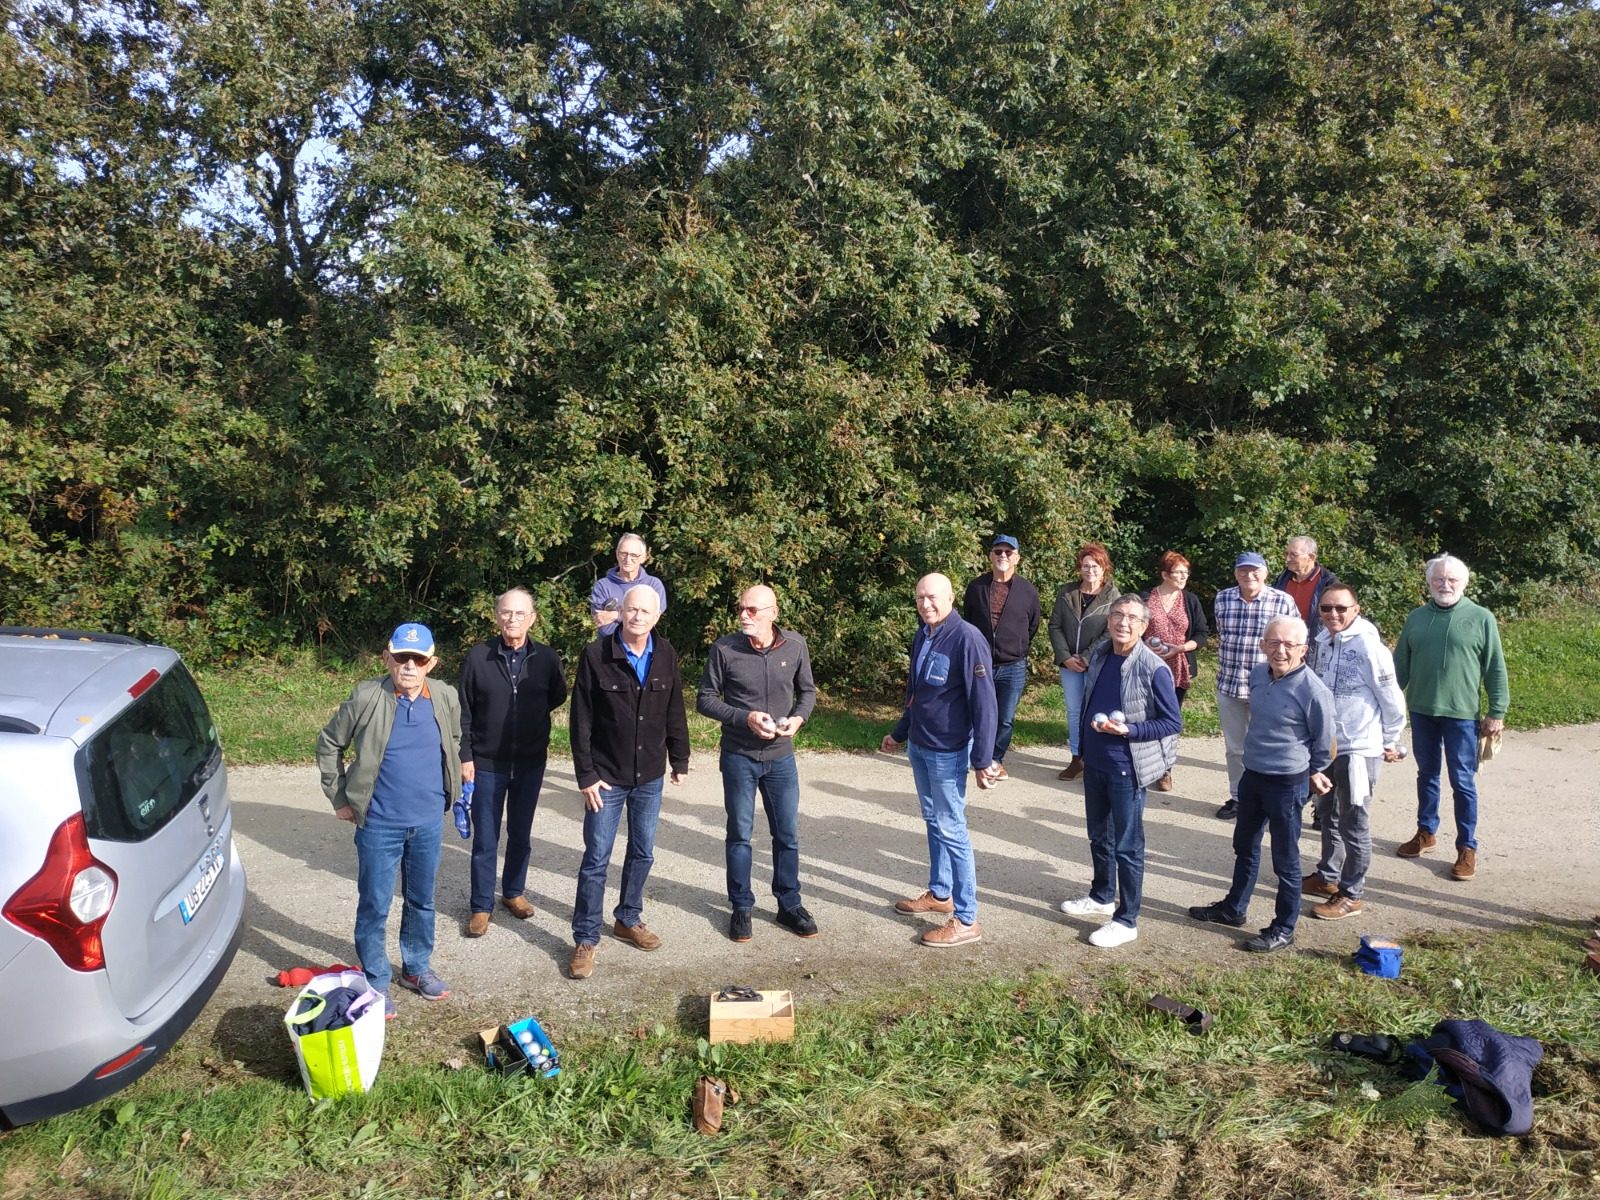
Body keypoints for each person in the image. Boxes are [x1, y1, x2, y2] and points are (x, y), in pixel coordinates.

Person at [316, 623, 463, 1016]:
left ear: (432, 663)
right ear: (387, 658)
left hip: (428, 821)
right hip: (379, 822)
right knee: (375, 904)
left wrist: (450, 787)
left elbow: (453, 741)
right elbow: (329, 743)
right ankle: (376, 980)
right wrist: (339, 797)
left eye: (418, 659)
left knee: (422, 900)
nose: (409, 666)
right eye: (401, 657)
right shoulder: (367, 696)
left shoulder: (445, 696)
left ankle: (416, 968)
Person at [1189, 615, 1336, 953]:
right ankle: (1234, 908)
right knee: (1245, 845)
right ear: (1262, 645)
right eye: (1274, 643)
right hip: (1252, 776)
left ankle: (1284, 928)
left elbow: (1325, 742)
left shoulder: (1314, 691)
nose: (1280, 650)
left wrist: (1314, 771)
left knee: (1285, 859)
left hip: (1287, 783)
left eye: (1289, 644)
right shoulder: (1257, 674)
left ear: (1303, 649)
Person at [567, 586, 690, 979]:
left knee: (643, 852)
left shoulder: (665, 653)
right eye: (631, 609)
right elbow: (581, 719)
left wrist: (680, 758)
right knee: (596, 859)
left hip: (649, 776)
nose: (637, 617)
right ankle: (586, 937)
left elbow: (674, 708)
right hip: (605, 778)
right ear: (621, 611)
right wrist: (586, 775)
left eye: (645, 611)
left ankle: (628, 917)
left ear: (657, 616)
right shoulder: (596, 654)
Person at [880, 573, 998, 948]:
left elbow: (985, 702)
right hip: (920, 745)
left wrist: (983, 759)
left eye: (932, 597)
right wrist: (900, 733)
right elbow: (916, 694)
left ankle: (966, 919)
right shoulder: (924, 635)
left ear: (950, 598)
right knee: (933, 820)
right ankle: (940, 892)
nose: (925, 604)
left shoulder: (967, 638)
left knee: (952, 828)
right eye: (919, 598)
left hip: (948, 751)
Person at [1055, 596, 1181, 948]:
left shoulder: (1154, 668)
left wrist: (1131, 730)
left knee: (1127, 846)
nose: (1123, 623)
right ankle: (1101, 896)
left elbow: (1172, 722)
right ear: (1108, 620)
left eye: (1131, 618)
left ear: (1144, 626)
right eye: (1117, 615)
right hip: (1095, 762)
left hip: (1127, 769)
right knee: (1099, 836)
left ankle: (1127, 920)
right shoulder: (1101, 654)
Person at [696, 584, 819, 942]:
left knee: (787, 835)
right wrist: (744, 718)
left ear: (773, 613)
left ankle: (789, 903)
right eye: (741, 608)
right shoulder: (725, 648)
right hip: (739, 756)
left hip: (781, 758)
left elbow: (807, 692)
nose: (744, 615)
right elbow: (705, 699)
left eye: (752, 610)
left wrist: (798, 719)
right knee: (740, 834)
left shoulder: (795, 645)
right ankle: (741, 906)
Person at [457, 588, 567, 937]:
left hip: (530, 761)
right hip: (487, 762)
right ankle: (480, 906)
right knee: (486, 838)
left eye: (520, 613)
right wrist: (466, 756)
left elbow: (557, 695)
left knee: (520, 833)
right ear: (496, 616)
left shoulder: (546, 658)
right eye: (506, 612)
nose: (513, 619)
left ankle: (514, 892)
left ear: (532, 618)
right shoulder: (478, 657)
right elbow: (464, 709)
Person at [1392, 554, 1509, 882]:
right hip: (1422, 711)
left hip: (1462, 715)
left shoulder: (1481, 618)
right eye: (1438, 579)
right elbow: (1399, 667)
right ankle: (1426, 832)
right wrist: (1383, 703)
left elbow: (1495, 667)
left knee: (1462, 782)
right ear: (1429, 582)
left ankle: (1466, 846)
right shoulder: (1416, 618)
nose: (1445, 585)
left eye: (1452, 579)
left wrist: (1497, 711)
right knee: (1426, 775)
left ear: (1464, 583)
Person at [1304, 585, 1406, 919]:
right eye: (1326, 608)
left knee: (1354, 821)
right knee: (1327, 814)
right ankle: (1328, 877)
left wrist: (1390, 740)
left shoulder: (1370, 647)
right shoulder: (1322, 641)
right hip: (1327, 746)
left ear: (1356, 610)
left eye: (1341, 608)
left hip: (1359, 750)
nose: (1333, 614)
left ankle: (1352, 894)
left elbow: (1391, 698)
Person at [1211, 551, 1299, 819]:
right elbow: (1223, 634)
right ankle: (1238, 797)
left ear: (1265, 573)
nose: (1249, 575)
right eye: (1243, 570)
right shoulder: (1223, 598)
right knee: (1235, 748)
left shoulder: (1282, 601)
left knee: (1272, 745)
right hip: (1230, 684)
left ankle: (1271, 799)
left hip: (1270, 687)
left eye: (1254, 570)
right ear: (1236, 573)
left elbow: (1296, 641)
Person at [961, 534, 1042, 782]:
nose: (1003, 556)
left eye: (1008, 552)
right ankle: (972, 757)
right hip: (980, 664)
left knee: (1005, 719)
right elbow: (968, 622)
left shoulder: (1027, 591)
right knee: (975, 713)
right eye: (998, 552)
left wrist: (1015, 647)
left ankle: (996, 759)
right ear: (990, 556)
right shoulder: (976, 588)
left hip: (1013, 665)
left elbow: (1033, 625)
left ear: (1017, 558)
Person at [1048, 543, 1121, 781]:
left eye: (1095, 566)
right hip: (1069, 663)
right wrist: (1065, 657)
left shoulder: (1113, 596)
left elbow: (1111, 631)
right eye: (1086, 566)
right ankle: (1077, 757)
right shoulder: (1067, 593)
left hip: (1098, 662)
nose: (1090, 570)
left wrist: (1087, 657)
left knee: (1097, 710)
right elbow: (1055, 626)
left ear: (1104, 568)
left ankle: (1097, 759)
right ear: (1080, 568)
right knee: (1074, 711)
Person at [1139, 550, 1209, 791]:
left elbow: (1202, 633)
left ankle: (1165, 769)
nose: (1183, 576)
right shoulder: (1145, 598)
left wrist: (1181, 648)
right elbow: (1134, 628)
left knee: (1170, 718)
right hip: (1148, 666)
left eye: (1186, 572)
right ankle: (1145, 765)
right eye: (1178, 572)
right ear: (1164, 575)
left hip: (1179, 667)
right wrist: (1144, 645)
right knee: (1147, 716)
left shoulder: (1190, 600)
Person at [589, 533, 668, 636]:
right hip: (609, 645)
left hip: (642, 645)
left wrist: (615, 615)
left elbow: (648, 622)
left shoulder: (654, 585)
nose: (627, 559)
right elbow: (604, 627)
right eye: (623, 553)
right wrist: (634, 620)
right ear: (617, 554)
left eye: (634, 555)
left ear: (643, 558)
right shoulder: (602, 586)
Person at [1272, 536, 1341, 624]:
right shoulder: (1283, 579)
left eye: (1294, 555)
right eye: (1286, 554)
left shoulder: (1328, 582)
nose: (1287, 559)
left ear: (1311, 557)